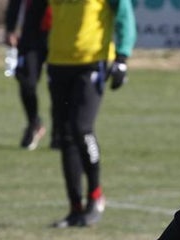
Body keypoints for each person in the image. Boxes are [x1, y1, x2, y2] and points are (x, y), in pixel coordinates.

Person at [46, 0, 135, 227]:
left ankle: (95, 196)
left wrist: (122, 58)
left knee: (81, 129)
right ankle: (75, 208)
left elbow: (124, 14)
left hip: (92, 62)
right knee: (65, 136)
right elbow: (36, 16)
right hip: (58, 62)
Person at [3, 0, 50, 150]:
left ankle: (62, 132)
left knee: (60, 84)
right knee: (26, 81)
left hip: (60, 32)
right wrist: (10, 28)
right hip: (32, 33)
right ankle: (34, 122)